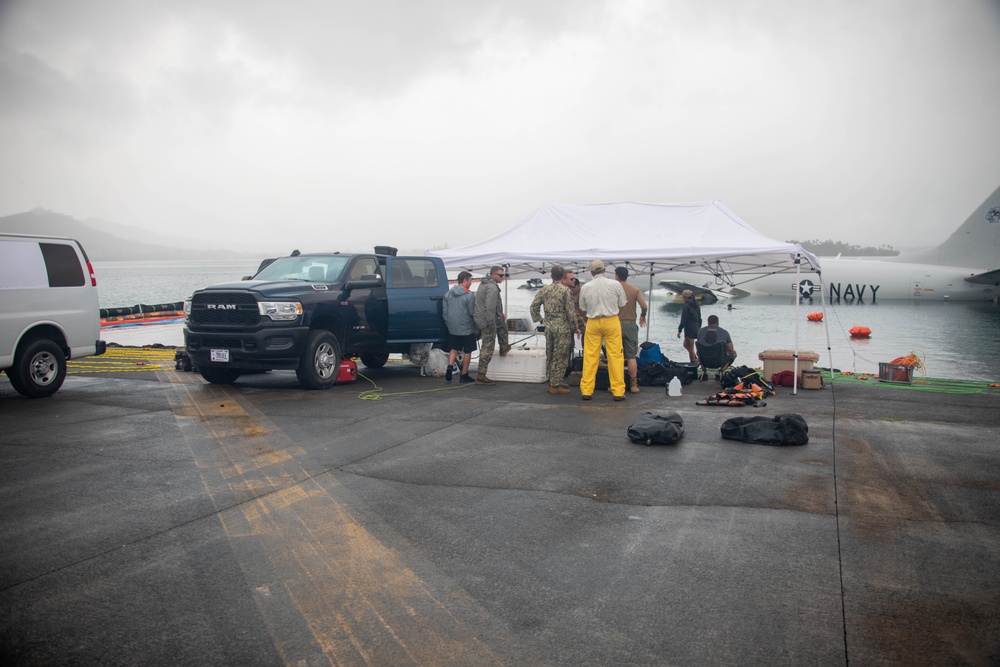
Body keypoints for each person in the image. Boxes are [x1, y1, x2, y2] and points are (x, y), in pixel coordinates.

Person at [578, 260, 627, 401]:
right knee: (615, 356)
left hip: (593, 321)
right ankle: (618, 391)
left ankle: (586, 390)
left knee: (590, 356)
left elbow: (583, 307)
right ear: (604, 270)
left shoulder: (586, 287)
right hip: (611, 320)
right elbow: (622, 303)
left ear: (591, 272)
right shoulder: (615, 284)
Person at [529, 265, 579, 395]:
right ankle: (555, 385)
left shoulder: (544, 289)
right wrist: (575, 327)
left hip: (549, 326)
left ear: (551, 276)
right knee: (561, 355)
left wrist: (541, 320)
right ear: (563, 277)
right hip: (562, 327)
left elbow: (533, 307)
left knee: (550, 353)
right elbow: (570, 311)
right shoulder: (565, 291)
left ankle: (553, 379)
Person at [473, 265, 512, 385]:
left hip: (483, 318)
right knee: (488, 347)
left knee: (502, 326)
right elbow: (489, 308)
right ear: (493, 275)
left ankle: (504, 345)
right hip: (487, 321)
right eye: (501, 275)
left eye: (504, 275)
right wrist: (491, 324)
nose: (503, 278)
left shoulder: (483, 284)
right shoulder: (492, 288)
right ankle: (481, 375)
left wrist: (500, 315)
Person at [614, 266, 648, 394]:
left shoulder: (613, 289)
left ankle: (616, 384)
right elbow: (644, 306)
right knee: (631, 355)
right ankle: (634, 384)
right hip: (630, 324)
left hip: (615, 324)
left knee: (615, 355)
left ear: (617, 276)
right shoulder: (635, 290)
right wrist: (642, 315)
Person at [442, 271, 477, 383]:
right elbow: (472, 312)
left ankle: (450, 365)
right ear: (465, 280)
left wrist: (449, 324)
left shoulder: (448, 294)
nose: (471, 282)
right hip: (466, 327)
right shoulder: (469, 295)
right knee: (468, 350)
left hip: (452, 327)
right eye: (470, 280)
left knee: (454, 348)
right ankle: (464, 374)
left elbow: (445, 312)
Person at [696, 314, 737, 379]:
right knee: (733, 354)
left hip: (704, 361)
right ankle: (720, 372)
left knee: (699, 351)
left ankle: (704, 372)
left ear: (708, 322)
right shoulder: (724, 332)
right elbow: (730, 349)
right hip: (719, 361)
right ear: (718, 323)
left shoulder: (700, 331)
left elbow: (699, 346)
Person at [676, 289, 701, 363]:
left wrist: (679, 330)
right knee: (685, 345)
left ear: (687, 298)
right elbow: (699, 318)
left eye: (683, 297)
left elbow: (683, 320)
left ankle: (693, 363)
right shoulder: (696, 305)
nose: (683, 299)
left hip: (689, 329)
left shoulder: (686, 307)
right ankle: (696, 358)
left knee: (690, 348)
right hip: (696, 327)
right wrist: (699, 328)